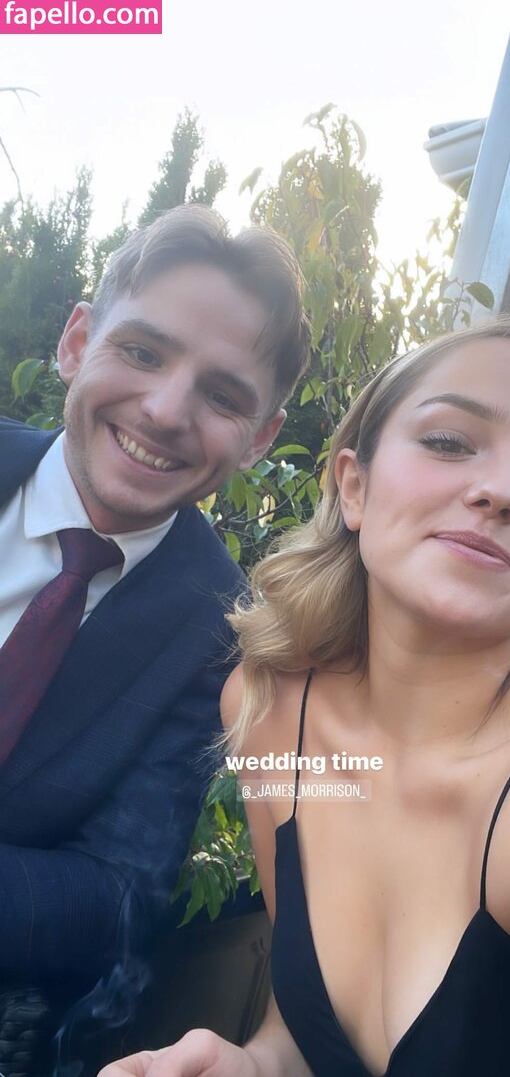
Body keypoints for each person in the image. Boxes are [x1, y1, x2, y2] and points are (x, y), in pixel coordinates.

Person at [101, 318, 510, 1077]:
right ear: (354, 485)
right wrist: (252, 1065)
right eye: (450, 441)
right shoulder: (266, 711)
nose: (502, 491)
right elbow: (303, 1029)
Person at [0, 204, 309, 1062]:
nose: (167, 410)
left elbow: (120, 898)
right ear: (76, 342)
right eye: (141, 352)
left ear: (261, 438)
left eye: (223, 396)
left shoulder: (218, 633)